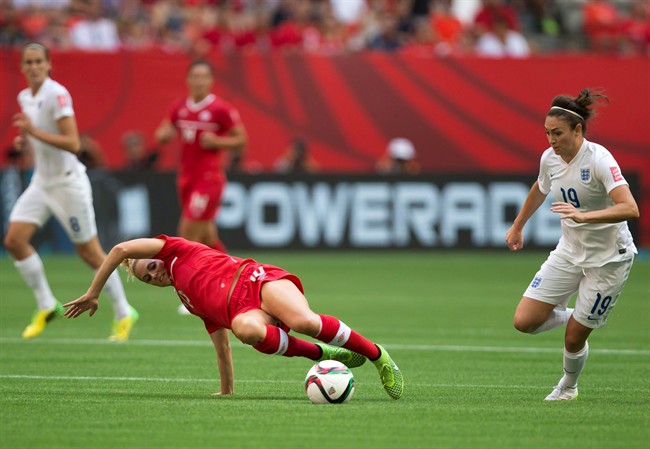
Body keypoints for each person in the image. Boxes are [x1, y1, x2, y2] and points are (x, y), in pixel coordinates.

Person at [63, 235, 404, 400]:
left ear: (157, 254)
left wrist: (93, 292)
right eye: (148, 278)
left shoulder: (176, 249)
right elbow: (221, 345)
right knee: (244, 329)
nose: (155, 274)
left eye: (151, 266)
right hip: (245, 310)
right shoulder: (189, 300)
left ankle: (379, 356)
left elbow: (120, 250)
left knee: (305, 323)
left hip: (258, 280)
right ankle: (323, 353)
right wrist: (227, 390)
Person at [505, 88, 639, 401]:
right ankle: (582, 315)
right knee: (524, 322)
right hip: (569, 251)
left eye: (558, 133)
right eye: (547, 133)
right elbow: (540, 188)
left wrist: (584, 216)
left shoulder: (599, 160)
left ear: (577, 130)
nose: (551, 140)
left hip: (609, 258)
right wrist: (518, 225)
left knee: (574, 338)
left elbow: (630, 208)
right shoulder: (549, 158)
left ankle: (568, 386)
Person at [4, 42, 138, 342]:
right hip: (42, 182)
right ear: (22, 67)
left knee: (90, 253)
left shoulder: (57, 94)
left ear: (49, 64)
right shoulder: (25, 96)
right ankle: (46, 304)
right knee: (14, 240)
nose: (34, 67)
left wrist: (34, 133)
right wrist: (26, 141)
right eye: (29, 62)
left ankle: (124, 311)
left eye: (39, 61)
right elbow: (38, 136)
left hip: (68, 183)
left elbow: (73, 143)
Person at [155, 59, 247, 315]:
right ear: (188, 80)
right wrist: (163, 135)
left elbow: (241, 139)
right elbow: (162, 132)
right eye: (195, 76)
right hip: (186, 178)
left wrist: (218, 141)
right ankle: (237, 277)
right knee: (207, 239)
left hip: (208, 179)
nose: (199, 81)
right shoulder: (180, 107)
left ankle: (193, 295)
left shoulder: (220, 109)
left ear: (211, 80)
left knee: (187, 236)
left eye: (204, 76)